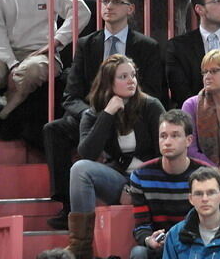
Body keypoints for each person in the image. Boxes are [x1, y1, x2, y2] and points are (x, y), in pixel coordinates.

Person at [43, 0, 163, 229]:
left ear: (131, 8)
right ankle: (67, 205)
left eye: (117, 2)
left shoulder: (147, 46)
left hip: (134, 115)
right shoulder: (87, 44)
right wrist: (96, 114)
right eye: (105, 1)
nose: (108, 6)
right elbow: (70, 96)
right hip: (92, 113)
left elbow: (153, 91)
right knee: (53, 129)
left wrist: (124, 106)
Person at [67, 55, 167, 259]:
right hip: (118, 179)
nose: (131, 81)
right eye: (123, 76)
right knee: (80, 169)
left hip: (148, 182)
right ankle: (81, 251)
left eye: (133, 75)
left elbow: (164, 154)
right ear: (108, 82)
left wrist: (134, 187)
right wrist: (108, 114)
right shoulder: (95, 113)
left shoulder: (151, 106)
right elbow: (87, 152)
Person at [0, 0, 89, 123]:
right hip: (5, 53)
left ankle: (4, 112)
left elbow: (82, 11)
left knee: (29, 71)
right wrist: (12, 63)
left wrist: (56, 42)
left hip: (42, 55)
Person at [128, 109, 207, 259]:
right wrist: (148, 239)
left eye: (175, 135)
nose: (167, 142)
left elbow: (211, 221)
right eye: (163, 136)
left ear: (189, 140)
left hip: (194, 243)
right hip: (159, 246)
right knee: (138, 253)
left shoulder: (204, 175)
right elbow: (141, 225)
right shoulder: (141, 175)